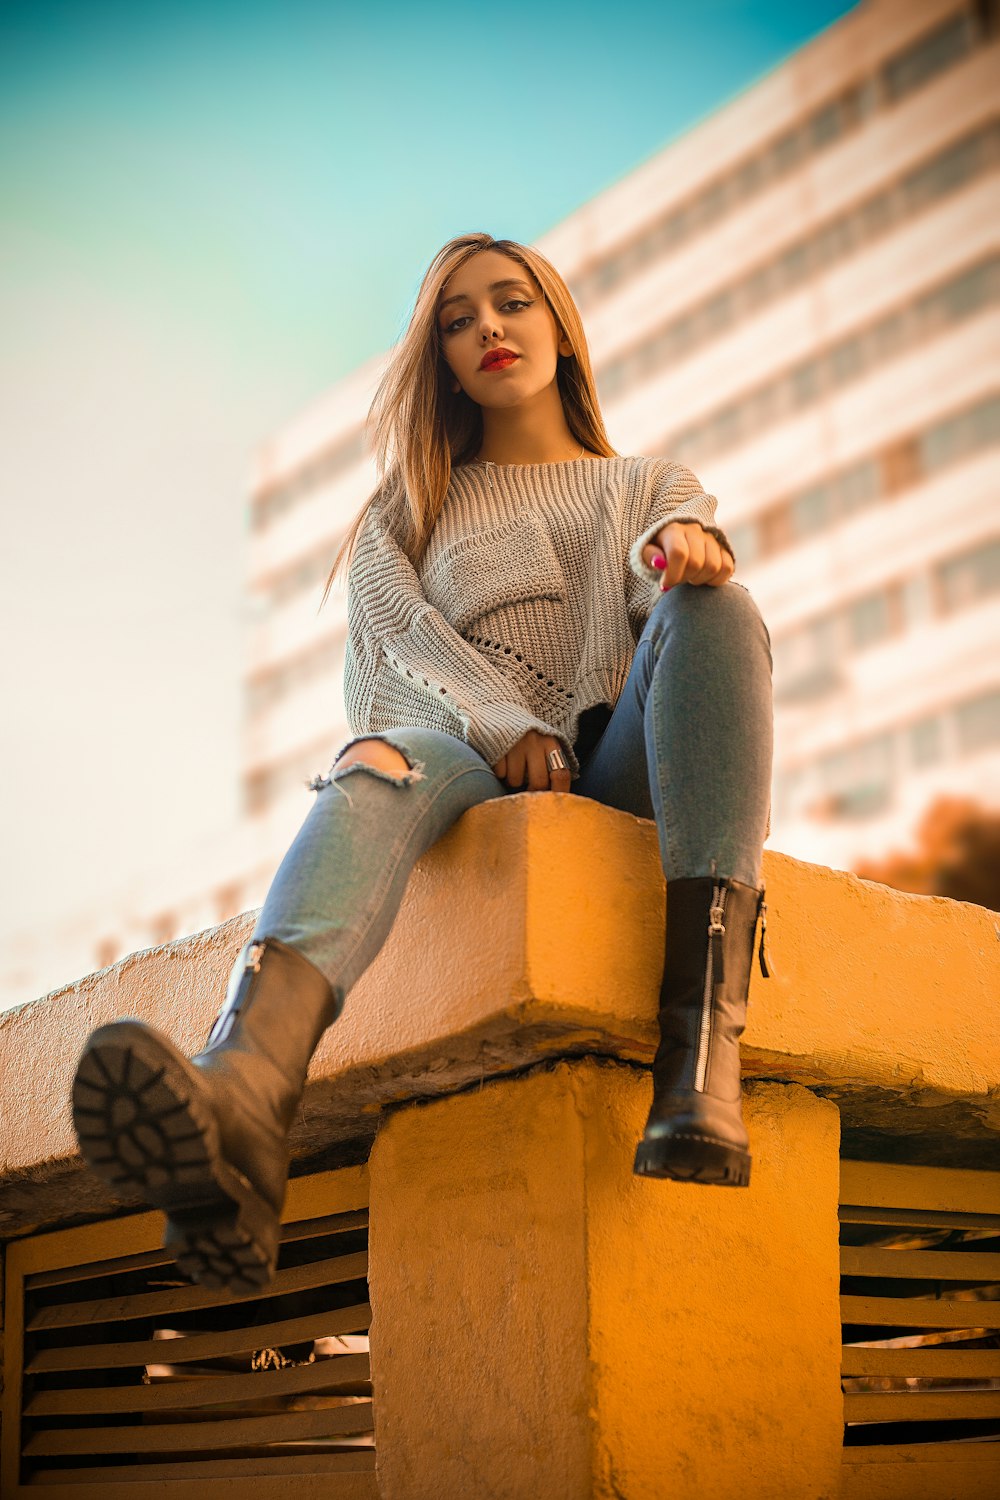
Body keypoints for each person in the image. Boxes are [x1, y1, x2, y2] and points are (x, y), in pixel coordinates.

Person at [72, 233, 773, 1296]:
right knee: (379, 757)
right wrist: (503, 727)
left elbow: (661, 598)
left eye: (512, 303)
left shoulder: (645, 484)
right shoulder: (409, 506)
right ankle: (246, 1089)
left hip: (616, 770)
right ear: (440, 359)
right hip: (463, 766)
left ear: (559, 329)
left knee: (718, 606)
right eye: (457, 319)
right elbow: (400, 639)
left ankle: (700, 1065)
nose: (489, 327)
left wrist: (677, 552)